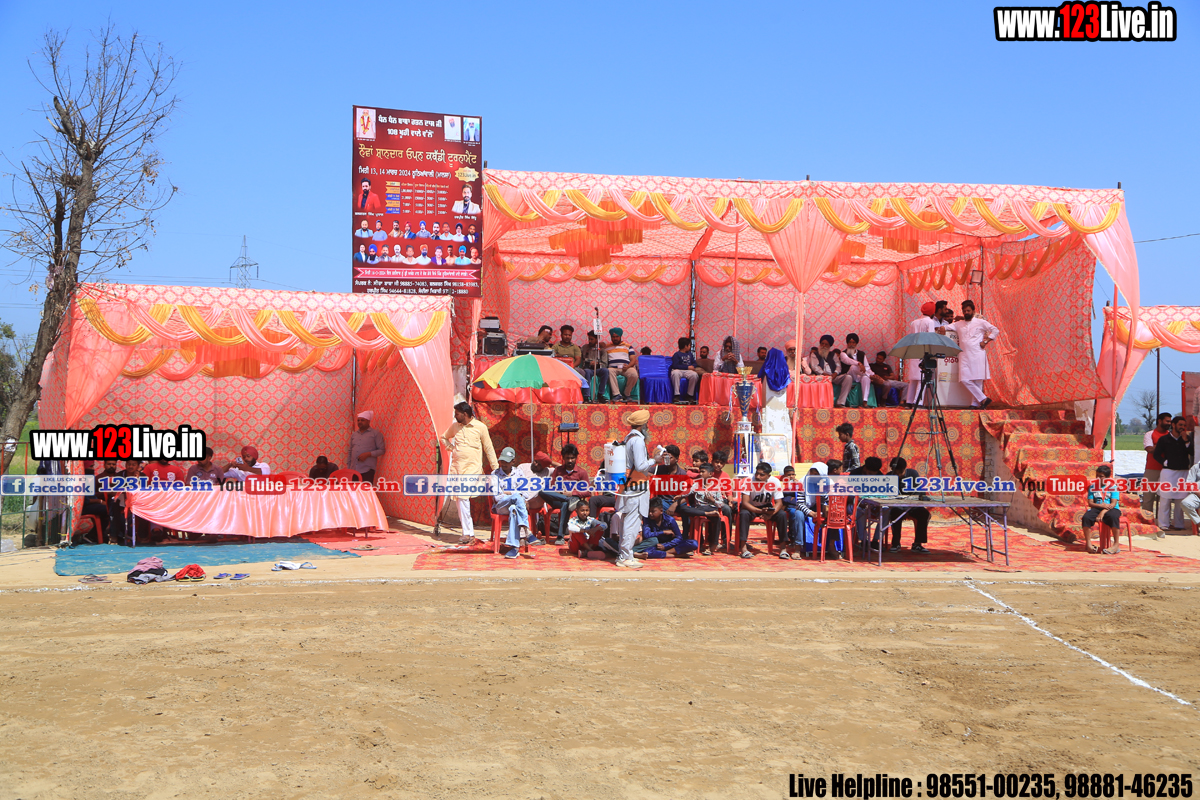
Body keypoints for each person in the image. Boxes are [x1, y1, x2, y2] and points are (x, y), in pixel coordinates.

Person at [443, 402, 499, 546]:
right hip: (457, 470)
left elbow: (488, 448)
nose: (455, 416)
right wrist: (451, 448)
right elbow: (443, 437)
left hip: (473, 469)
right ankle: (466, 532)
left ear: (465, 414)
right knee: (459, 500)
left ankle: (468, 533)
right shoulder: (455, 427)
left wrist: (496, 468)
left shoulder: (480, 427)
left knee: (462, 497)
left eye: (457, 414)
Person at [613, 409, 663, 568]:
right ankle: (625, 557)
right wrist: (654, 460)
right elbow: (641, 466)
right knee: (632, 522)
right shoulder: (638, 441)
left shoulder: (628, 438)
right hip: (636, 486)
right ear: (643, 425)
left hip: (628, 484)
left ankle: (625, 555)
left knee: (627, 521)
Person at [952, 299, 999, 409]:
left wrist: (986, 341)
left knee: (978, 380)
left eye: (968, 310)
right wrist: (941, 328)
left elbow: (995, 330)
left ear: (973, 311)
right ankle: (983, 399)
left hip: (978, 354)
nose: (966, 313)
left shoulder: (980, 322)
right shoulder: (959, 324)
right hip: (964, 356)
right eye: (964, 311)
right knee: (964, 379)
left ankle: (975, 404)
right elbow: (946, 327)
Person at [540, 444, 590, 545]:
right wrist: (559, 491)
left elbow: (588, 491)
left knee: (565, 505)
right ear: (563, 458)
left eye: (572, 458)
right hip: (558, 498)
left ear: (576, 458)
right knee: (542, 491)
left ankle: (560, 536)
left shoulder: (581, 472)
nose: (570, 460)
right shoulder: (558, 470)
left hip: (573, 501)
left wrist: (572, 493)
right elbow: (552, 486)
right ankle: (567, 499)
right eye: (567, 458)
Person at [737, 462, 786, 559]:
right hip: (751, 507)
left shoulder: (775, 481)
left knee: (782, 515)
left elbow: (779, 503)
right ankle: (743, 548)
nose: (758, 477)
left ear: (768, 476)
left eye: (762, 475)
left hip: (767, 507)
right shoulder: (748, 481)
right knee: (744, 514)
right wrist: (760, 512)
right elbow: (745, 503)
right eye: (757, 473)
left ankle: (783, 549)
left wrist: (770, 514)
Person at [1154, 416, 1195, 531]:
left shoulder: (1187, 439)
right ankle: (1163, 524)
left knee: (1180, 499)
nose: (1182, 427)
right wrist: (1165, 462)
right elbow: (1156, 454)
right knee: (1165, 499)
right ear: (1173, 425)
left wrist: (1186, 440)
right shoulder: (1164, 439)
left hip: (1183, 472)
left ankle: (1179, 524)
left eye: (1184, 425)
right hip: (1168, 472)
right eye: (1180, 425)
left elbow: (1192, 452)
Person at [491, 447, 532, 559]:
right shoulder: (495, 474)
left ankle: (514, 548)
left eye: (507, 461)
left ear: (513, 461)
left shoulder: (519, 473)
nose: (503, 464)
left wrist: (508, 492)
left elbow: (526, 493)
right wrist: (515, 494)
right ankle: (527, 530)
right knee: (517, 498)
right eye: (502, 461)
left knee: (513, 508)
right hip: (501, 506)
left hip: (514, 506)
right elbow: (497, 497)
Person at [886, 457, 931, 553]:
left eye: (900, 473)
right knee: (895, 513)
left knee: (924, 513)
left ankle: (917, 544)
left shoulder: (913, 474)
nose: (898, 476)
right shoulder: (889, 476)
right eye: (896, 473)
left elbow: (919, 492)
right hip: (897, 506)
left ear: (904, 469)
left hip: (912, 506)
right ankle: (896, 543)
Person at [682, 461, 727, 556]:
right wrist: (680, 495)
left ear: (710, 474)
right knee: (685, 509)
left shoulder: (716, 486)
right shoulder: (696, 484)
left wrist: (713, 500)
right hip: (700, 508)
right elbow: (689, 491)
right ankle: (699, 543)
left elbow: (721, 504)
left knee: (716, 517)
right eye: (700, 472)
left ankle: (713, 544)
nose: (701, 474)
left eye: (703, 472)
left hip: (711, 508)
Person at [904, 301, 940, 405]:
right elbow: (931, 338)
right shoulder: (930, 322)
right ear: (932, 312)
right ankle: (918, 402)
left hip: (914, 351)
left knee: (913, 379)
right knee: (922, 378)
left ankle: (909, 401)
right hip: (924, 352)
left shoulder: (914, 322)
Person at [1082, 464, 1122, 554]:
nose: (1098, 478)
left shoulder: (1113, 487)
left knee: (1113, 517)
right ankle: (1089, 544)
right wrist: (1101, 506)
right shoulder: (1093, 487)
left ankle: (1116, 545)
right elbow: (1091, 503)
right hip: (1098, 507)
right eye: (1097, 476)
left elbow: (1113, 503)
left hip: (1111, 508)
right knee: (1086, 517)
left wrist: (1103, 512)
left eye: (1101, 476)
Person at [516, 451, 554, 543]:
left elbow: (563, 467)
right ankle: (527, 535)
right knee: (517, 505)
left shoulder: (547, 471)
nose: (536, 464)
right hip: (522, 499)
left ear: (544, 466)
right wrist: (522, 498)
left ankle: (524, 537)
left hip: (536, 502)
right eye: (535, 461)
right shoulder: (522, 467)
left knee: (519, 505)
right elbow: (516, 484)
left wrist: (549, 462)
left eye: (539, 464)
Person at [1142, 412, 1173, 521]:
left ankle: (1164, 521)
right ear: (1160, 421)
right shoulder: (1149, 434)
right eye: (1167, 421)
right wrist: (1163, 444)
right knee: (1148, 497)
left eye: (1170, 421)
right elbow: (1149, 449)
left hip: (1168, 470)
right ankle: (1147, 520)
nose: (1169, 423)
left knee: (1166, 498)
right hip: (1152, 469)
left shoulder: (1171, 435)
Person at [779, 465, 815, 559]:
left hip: (798, 505)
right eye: (789, 475)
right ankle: (792, 536)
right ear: (784, 475)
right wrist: (791, 498)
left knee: (796, 512)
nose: (791, 476)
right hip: (789, 506)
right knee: (794, 513)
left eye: (793, 474)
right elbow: (783, 497)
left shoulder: (800, 482)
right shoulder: (782, 484)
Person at [349, 410, 386, 485]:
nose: (360, 422)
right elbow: (350, 451)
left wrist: (368, 454)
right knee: (354, 490)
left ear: (368, 421)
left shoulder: (375, 434)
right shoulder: (354, 435)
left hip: (367, 470)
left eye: (362, 420)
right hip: (354, 469)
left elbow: (382, 450)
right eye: (358, 420)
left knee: (366, 490)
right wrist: (349, 467)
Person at [835, 333, 872, 407]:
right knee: (853, 367)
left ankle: (865, 401)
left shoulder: (862, 354)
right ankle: (870, 376)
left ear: (856, 343)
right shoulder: (843, 353)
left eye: (853, 342)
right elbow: (847, 361)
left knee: (866, 378)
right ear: (847, 343)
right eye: (850, 342)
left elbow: (867, 367)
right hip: (848, 375)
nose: (851, 344)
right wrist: (859, 364)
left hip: (859, 376)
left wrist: (871, 374)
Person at [604, 328, 639, 404]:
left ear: (620, 336)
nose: (615, 338)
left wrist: (628, 366)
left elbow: (633, 360)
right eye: (613, 337)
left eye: (617, 336)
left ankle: (627, 393)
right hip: (613, 368)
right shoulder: (607, 347)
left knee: (634, 374)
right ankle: (617, 395)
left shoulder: (628, 346)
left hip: (626, 368)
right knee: (608, 371)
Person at [670, 337, 701, 403]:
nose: (690, 347)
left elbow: (694, 363)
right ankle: (677, 395)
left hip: (688, 371)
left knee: (694, 375)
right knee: (675, 373)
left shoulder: (690, 354)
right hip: (678, 370)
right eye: (689, 345)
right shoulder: (676, 354)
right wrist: (687, 367)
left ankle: (690, 395)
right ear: (685, 346)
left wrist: (693, 366)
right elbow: (675, 365)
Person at [579, 330, 607, 403]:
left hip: (598, 369)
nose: (590, 341)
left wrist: (597, 363)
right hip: (588, 369)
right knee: (587, 372)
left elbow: (605, 363)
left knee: (605, 371)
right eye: (589, 339)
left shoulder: (602, 350)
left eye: (592, 339)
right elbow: (581, 360)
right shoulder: (584, 348)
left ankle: (601, 394)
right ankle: (586, 397)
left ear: (597, 339)